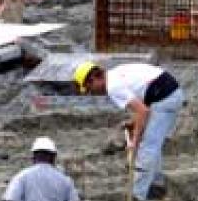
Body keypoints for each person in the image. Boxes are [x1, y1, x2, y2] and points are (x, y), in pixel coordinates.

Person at [74, 62, 184, 201]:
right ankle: (156, 186)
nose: (92, 93)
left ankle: (138, 195)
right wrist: (134, 123)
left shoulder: (113, 87)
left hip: (165, 98)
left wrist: (135, 141)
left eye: (89, 88)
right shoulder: (114, 75)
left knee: (146, 147)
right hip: (166, 93)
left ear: (93, 79)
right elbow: (142, 105)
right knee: (152, 143)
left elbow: (143, 111)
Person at [3, 137, 80, 201]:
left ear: (33, 156)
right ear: (53, 157)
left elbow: (10, 198)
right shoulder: (65, 181)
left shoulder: (21, 177)